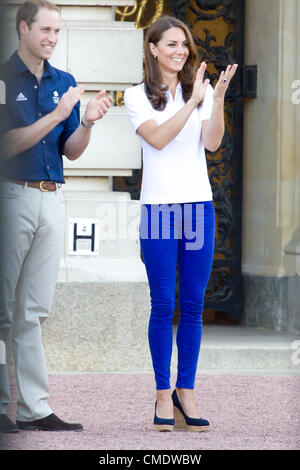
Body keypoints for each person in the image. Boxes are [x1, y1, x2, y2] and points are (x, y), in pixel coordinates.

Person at [0, 0, 112, 433]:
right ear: (23, 28)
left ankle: (34, 408)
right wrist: (59, 114)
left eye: (58, 32)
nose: (52, 38)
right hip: (13, 196)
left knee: (33, 309)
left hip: (52, 197)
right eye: (45, 30)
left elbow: (71, 150)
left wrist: (86, 123)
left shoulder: (63, 82)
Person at [124, 16, 237, 432]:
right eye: (172, 44)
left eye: (184, 44)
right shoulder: (136, 96)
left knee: (192, 305)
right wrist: (191, 103)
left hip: (197, 209)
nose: (181, 51)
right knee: (162, 305)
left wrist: (217, 98)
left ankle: (185, 394)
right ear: (153, 48)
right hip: (159, 211)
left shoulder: (200, 92)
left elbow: (210, 142)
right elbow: (157, 138)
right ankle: (161, 394)